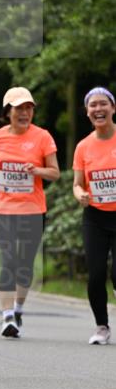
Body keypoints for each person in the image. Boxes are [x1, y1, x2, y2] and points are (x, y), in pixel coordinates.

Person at [0, 87, 59, 338]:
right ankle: (7, 316)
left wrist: (37, 170)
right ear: (7, 112)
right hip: (3, 209)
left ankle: (19, 308)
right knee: (8, 260)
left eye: (29, 108)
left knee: (25, 263)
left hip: (33, 210)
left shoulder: (43, 137)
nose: (25, 113)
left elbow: (54, 172)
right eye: (19, 108)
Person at [72, 86, 116, 344]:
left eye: (103, 104)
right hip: (95, 217)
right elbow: (78, 183)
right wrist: (79, 194)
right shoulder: (83, 147)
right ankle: (102, 326)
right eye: (93, 105)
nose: (98, 109)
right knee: (96, 273)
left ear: (112, 107)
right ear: (87, 112)